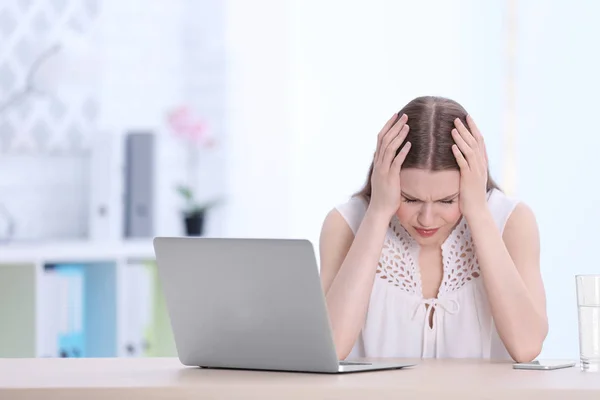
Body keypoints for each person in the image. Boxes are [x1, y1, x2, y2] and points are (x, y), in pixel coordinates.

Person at [318, 96, 548, 363]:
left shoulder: (512, 222)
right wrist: (379, 212)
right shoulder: (345, 224)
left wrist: (477, 212)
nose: (426, 219)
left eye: (447, 200)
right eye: (410, 199)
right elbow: (329, 349)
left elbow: (527, 346)